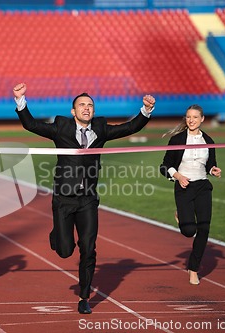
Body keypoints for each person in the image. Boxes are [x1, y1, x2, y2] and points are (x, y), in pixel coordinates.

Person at [13, 83, 155, 314]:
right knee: (65, 250)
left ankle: (84, 296)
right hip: (64, 198)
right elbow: (31, 125)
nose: (86, 108)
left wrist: (145, 110)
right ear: (73, 111)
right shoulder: (61, 126)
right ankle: (57, 234)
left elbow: (129, 128)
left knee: (88, 248)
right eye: (82, 105)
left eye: (90, 105)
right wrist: (21, 100)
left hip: (87, 199)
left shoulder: (101, 128)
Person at [159, 104, 221, 285]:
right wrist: (177, 176)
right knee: (189, 231)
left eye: (195, 117)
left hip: (202, 187)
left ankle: (193, 269)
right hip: (184, 187)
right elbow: (164, 166)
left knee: (204, 229)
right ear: (185, 119)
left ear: (202, 119)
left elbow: (211, 164)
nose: (191, 120)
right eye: (188, 117)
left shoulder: (208, 140)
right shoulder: (177, 140)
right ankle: (181, 216)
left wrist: (213, 170)